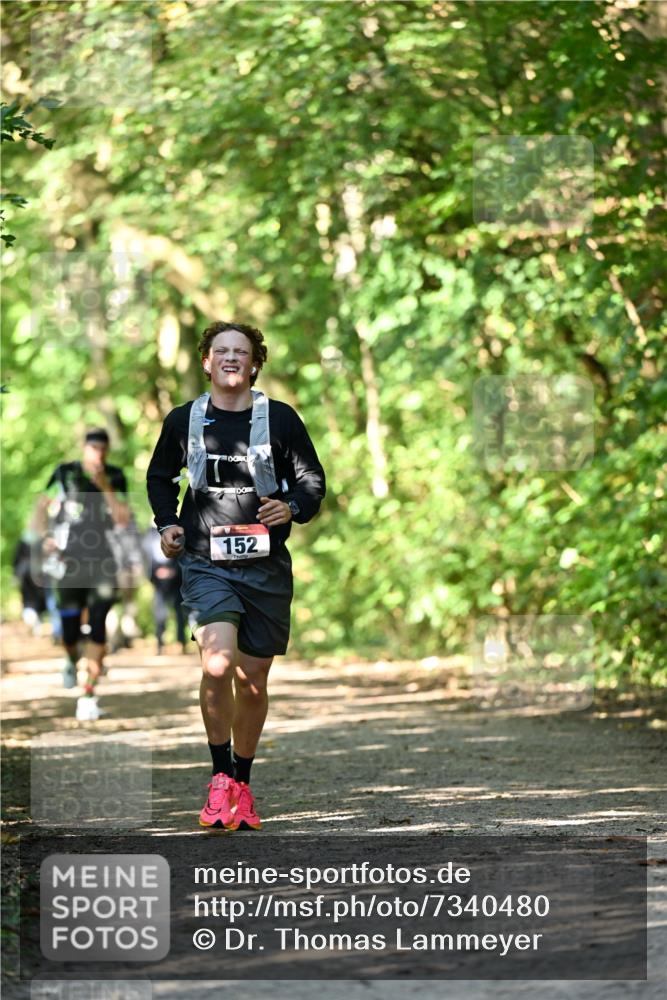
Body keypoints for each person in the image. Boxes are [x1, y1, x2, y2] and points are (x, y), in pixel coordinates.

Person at [146, 321, 325, 831]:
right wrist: (168, 524)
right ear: (206, 361)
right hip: (206, 561)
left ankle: (242, 786)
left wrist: (290, 507)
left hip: (265, 567)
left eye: (240, 351)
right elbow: (160, 477)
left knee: (252, 680)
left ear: (254, 363)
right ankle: (219, 777)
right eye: (220, 351)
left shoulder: (281, 419)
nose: (230, 358)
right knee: (218, 663)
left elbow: (312, 481)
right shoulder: (185, 419)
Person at [34, 428, 130, 720]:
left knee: (98, 625)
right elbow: (41, 507)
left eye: (103, 448)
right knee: (69, 631)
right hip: (68, 562)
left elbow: (122, 518)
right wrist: (45, 537)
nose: (97, 453)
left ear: (108, 450)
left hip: (103, 562)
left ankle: (88, 694)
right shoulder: (65, 473)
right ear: (84, 447)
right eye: (93, 448)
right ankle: (70, 658)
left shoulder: (115, 476)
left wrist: (104, 486)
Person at [142, 526, 187, 655]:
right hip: (158, 581)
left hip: (176, 580)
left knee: (180, 612)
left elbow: (182, 553)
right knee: (159, 614)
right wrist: (155, 573)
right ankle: (160, 645)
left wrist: (174, 571)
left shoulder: (177, 531)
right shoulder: (149, 535)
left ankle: (181, 643)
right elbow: (146, 556)